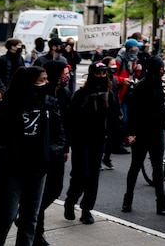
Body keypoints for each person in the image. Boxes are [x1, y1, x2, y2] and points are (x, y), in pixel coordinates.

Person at [0, 66, 66, 246]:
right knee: (7, 215)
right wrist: (5, 154)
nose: (46, 83)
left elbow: (59, 134)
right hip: (11, 170)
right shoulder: (8, 104)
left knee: (30, 217)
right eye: (42, 80)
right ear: (27, 82)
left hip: (38, 169)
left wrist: (50, 151)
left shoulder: (48, 102)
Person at [63, 62, 117, 225]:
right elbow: (70, 119)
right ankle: (70, 202)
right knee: (81, 174)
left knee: (93, 176)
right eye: (97, 73)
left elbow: (114, 115)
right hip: (81, 139)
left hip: (98, 140)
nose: (101, 77)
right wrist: (67, 143)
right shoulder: (80, 94)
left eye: (103, 74)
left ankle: (86, 209)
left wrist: (119, 135)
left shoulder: (109, 93)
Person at [122, 56, 165, 214]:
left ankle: (160, 201)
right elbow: (133, 111)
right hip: (143, 132)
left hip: (156, 131)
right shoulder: (142, 87)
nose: (163, 70)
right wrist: (131, 132)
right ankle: (128, 199)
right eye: (161, 67)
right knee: (137, 165)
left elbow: (161, 110)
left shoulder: (156, 84)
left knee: (157, 167)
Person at [35, 61, 72, 246]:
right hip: (42, 150)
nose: (67, 76)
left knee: (55, 189)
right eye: (64, 72)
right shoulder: (43, 93)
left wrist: (65, 147)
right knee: (40, 191)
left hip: (58, 150)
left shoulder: (64, 93)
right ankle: (36, 230)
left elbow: (66, 123)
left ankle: (31, 215)